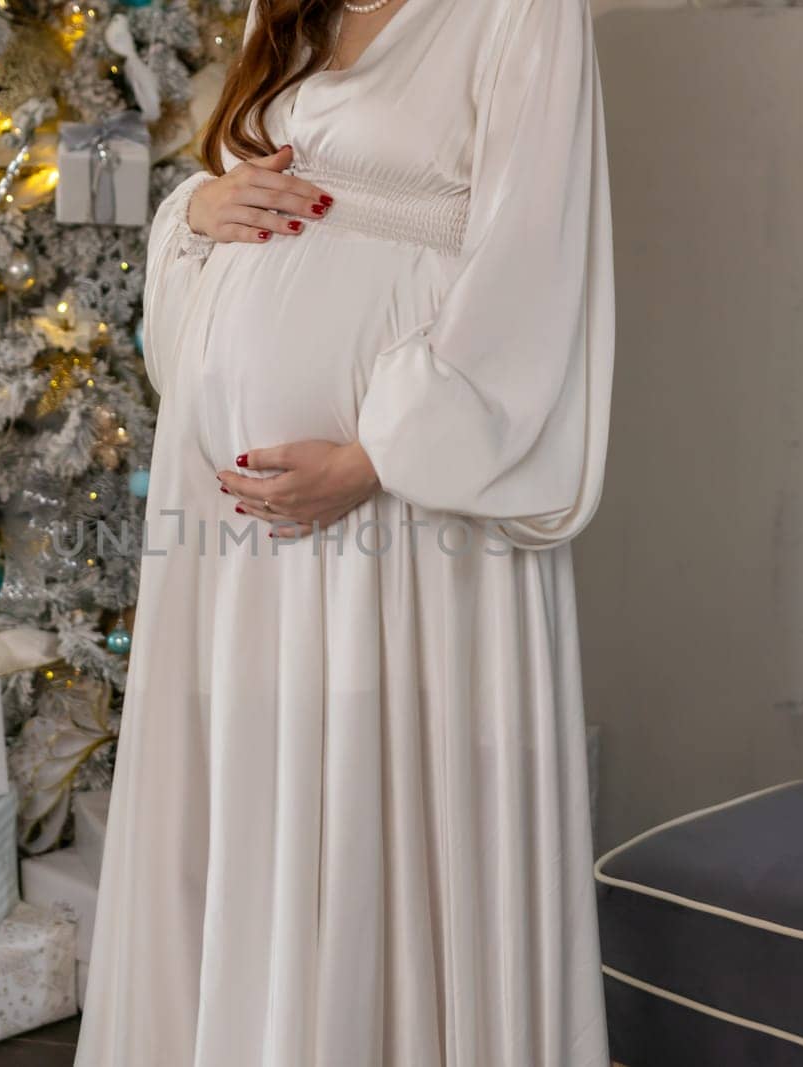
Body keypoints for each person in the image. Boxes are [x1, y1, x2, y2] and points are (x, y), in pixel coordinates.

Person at [75, 0, 614, 1061]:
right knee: (255, 796)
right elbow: (230, 188)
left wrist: (382, 459)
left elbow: (534, 254)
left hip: (410, 513)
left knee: (383, 806)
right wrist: (196, 214)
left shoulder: (523, 13)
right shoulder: (286, 9)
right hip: (233, 532)